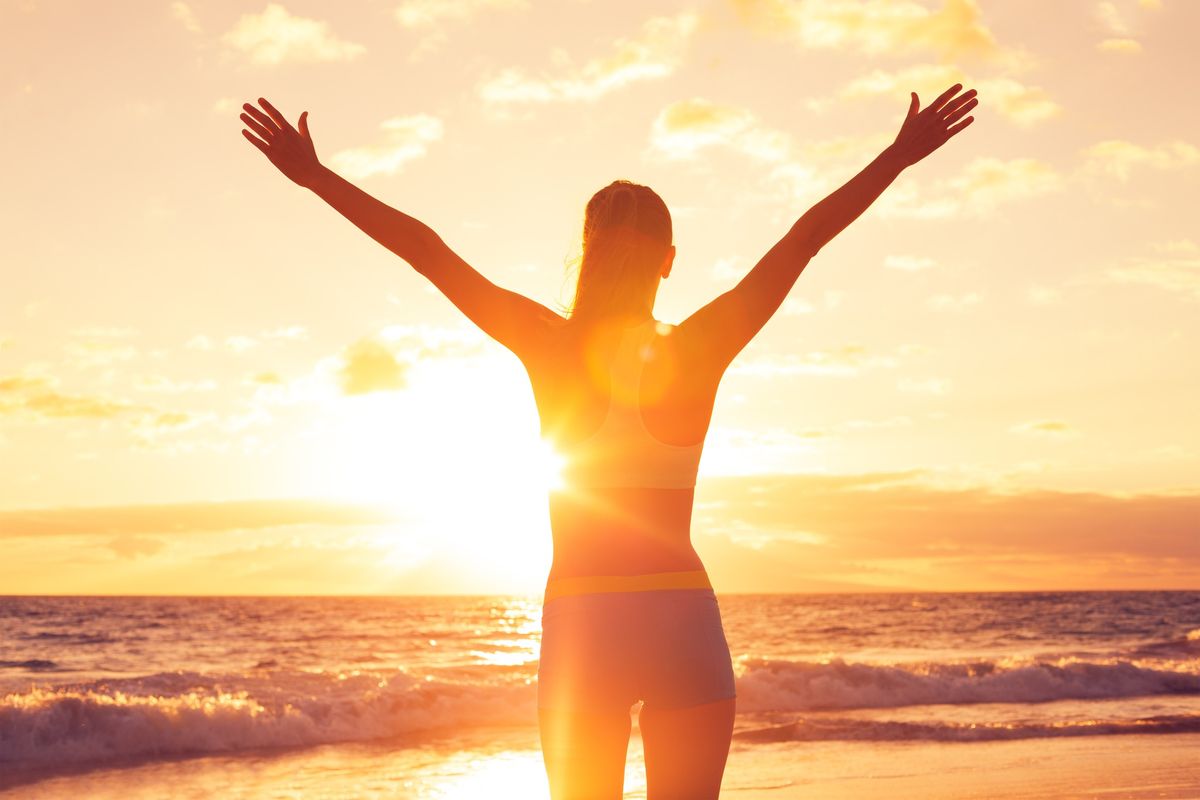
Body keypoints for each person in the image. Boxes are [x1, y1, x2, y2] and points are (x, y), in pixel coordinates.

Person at [239, 83, 977, 799]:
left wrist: (316, 178)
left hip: (584, 625)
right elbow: (805, 239)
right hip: (682, 618)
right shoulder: (701, 346)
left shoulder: (545, 344)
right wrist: (898, 155)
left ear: (586, 252)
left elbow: (427, 252)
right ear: (668, 260)